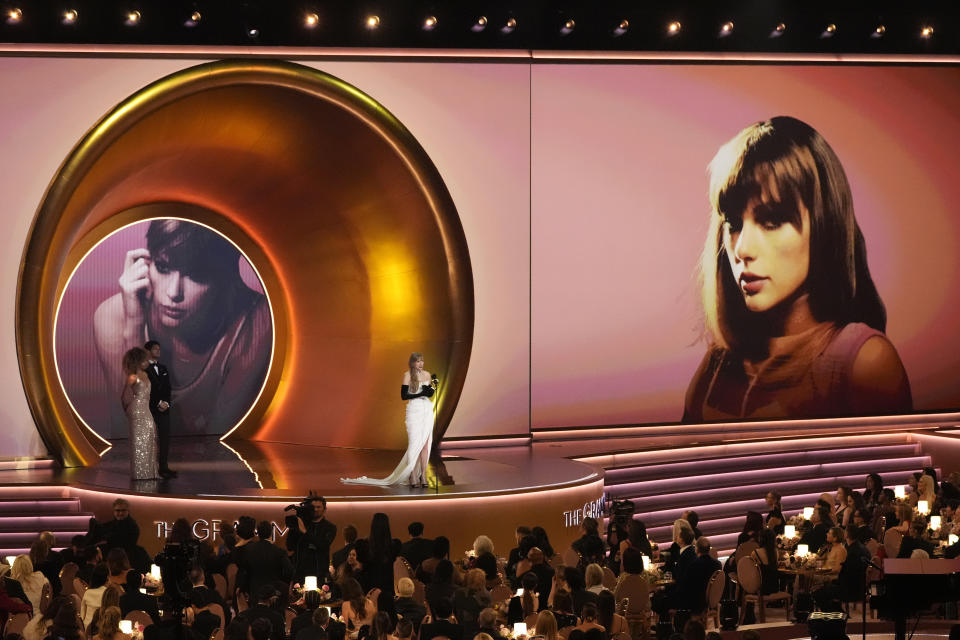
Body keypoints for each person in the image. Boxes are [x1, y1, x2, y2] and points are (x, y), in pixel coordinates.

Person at [684, 116, 911, 422]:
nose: (741, 250)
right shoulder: (718, 363)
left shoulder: (865, 364)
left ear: (823, 225)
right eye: (734, 224)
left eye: (772, 221)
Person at [94, 219, 271, 435]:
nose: (173, 292)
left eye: (196, 275)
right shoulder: (113, 317)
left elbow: (222, 449)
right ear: (147, 262)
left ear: (226, 277)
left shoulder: (255, 322)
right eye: (163, 267)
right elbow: (131, 441)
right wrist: (134, 328)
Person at [341, 352, 437, 487]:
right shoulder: (407, 375)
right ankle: (413, 475)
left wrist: (431, 390)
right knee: (415, 444)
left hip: (427, 410)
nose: (420, 364)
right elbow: (404, 395)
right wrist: (422, 393)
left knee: (426, 445)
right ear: (412, 363)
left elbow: (429, 392)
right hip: (414, 411)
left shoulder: (427, 375)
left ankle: (423, 476)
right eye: (417, 361)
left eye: (422, 361)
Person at [120, 347, 159, 481]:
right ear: (138, 361)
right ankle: (140, 473)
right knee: (138, 441)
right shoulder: (132, 377)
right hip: (136, 409)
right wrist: (128, 410)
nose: (147, 361)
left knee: (149, 435)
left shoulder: (146, 375)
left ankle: (149, 472)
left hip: (146, 408)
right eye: (144, 359)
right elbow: (124, 396)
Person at [238, 521, 293, 603]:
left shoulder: (248, 550)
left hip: (255, 591)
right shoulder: (279, 551)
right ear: (271, 533)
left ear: (258, 533)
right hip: (273, 592)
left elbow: (244, 571)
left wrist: (242, 588)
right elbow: (289, 571)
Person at [143, 341, 176, 478]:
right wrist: (157, 403)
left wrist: (167, 403)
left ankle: (164, 467)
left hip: (164, 409)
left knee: (164, 438)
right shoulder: (143, 369)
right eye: (155, 349)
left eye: (159, 348)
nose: (158, 351)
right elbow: (145, 391)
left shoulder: (163, 368)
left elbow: (168, 388)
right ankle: (150, 467)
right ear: (148, 351)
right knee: (150, 439)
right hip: (150, 409)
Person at [287, 495, 337, 582]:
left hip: (320, 574)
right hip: (301, 574)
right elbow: (290, 546)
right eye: (313, 507)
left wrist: (305, 532)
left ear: (324, 510)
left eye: (318, 507)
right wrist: (294, 528)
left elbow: (323, 545)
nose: (316, 509)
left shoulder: (330, 527)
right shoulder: (303, 524)